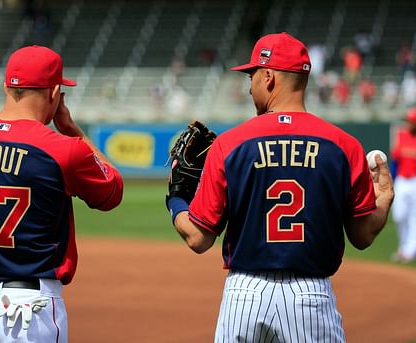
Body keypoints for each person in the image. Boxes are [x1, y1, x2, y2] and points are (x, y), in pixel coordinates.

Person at [166, 32, 394, 342]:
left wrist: (177, 199)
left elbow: (198, 238)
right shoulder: (344, 146)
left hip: (245, 296)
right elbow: (363, 236)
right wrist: (382, 201)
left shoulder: (231, 145)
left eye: (253, 75)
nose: (249, 86)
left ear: (269, 77)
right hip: (310, 297)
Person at [0, 45, 123, 342]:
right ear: (55, 93)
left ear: (6, 86)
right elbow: (111, 191)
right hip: (28, 311)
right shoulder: (62, 149)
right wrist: (73, 131)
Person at [390, 107, 416, 263]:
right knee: (399, 215)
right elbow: (395, 161)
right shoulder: (402, 135)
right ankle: (403, 246)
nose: (408, 124)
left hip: (415, 181)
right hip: (401, 180)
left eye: (410, 121)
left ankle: (409, 251)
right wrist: (391, 181)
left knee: (414, 218)